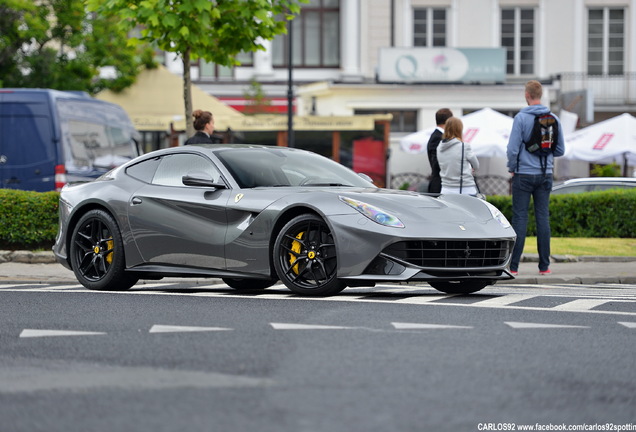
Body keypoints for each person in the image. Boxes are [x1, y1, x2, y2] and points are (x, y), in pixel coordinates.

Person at [506, 80, 565, 276]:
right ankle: (544, 267)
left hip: (523, 174)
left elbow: (512, 148)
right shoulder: (553, 118)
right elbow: (560, 150)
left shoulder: (521, 118)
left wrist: (512, 167)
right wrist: (544, 156)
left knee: (520, 218)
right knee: (543, 218)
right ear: (541, 95)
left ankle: (514, 267)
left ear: (527, 95)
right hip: (545, 174)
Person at [437, 117, 480, 195]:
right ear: (459, 129)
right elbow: (476, 165)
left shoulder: (439, 147)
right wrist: (470, 169)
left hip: (445, 189)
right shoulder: (464, 146)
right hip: (464, 188)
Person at [426, 108, 453, 193]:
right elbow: (437, 163)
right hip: (439, 186)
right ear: (449, 121)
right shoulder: (437, 138)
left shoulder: (439, 136)